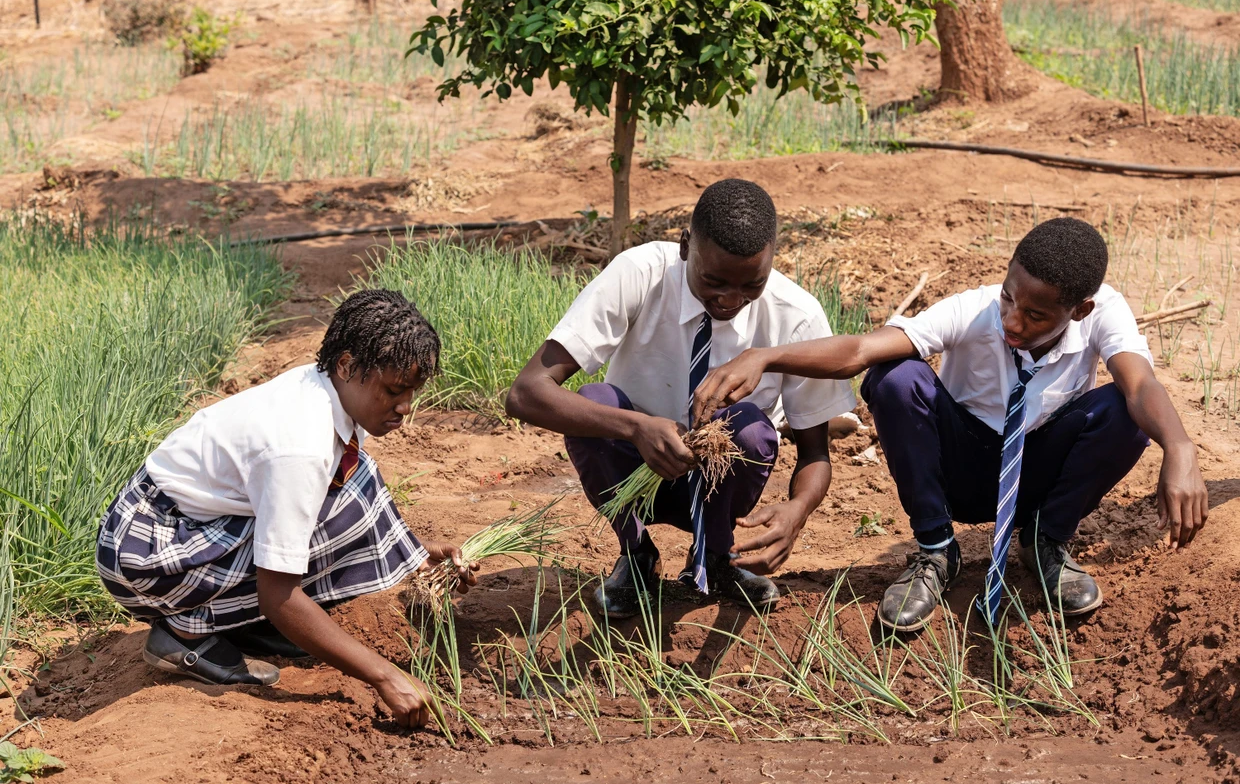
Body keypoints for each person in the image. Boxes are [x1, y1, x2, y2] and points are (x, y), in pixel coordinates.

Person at [691, 217, 1209, 632]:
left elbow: (1140, 385)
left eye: (1035, 316)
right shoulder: (974, 310)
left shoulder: (1104, 311)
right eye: (1009, 297)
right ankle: (936, 551)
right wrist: (766, 356)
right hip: (963, 469)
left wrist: (1180, 448)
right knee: (895, 377)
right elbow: (861, 350)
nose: (1012, 321)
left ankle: (1044, 542)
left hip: (1036, 473)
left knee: (1126, 412)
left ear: (1080, 310)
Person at [96, 289, 476, 728]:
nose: (405, 407)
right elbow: (278, 596)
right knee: (333, 520)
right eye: (393, 390)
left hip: (181, 521)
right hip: (145, 551)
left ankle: (240, 625)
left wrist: (416, 553)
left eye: (413, 391)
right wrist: (385, 676)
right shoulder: (300, 445)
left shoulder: (326, 390)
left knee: (354, 485)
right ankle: (186, 632)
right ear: (347, 365)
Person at [506, 178, 856, 618]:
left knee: (751, 427)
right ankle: (637, 555)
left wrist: (798, 509)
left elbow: (815, 453)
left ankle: (716, 557)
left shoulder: (797, 317)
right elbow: (526, 393)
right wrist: (636, 427)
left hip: (722, 492)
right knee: (596, 401)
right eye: (713, 281)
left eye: (752, 284)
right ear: (685, 245)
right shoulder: (640, 274)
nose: (730, 299)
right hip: (635, 468)